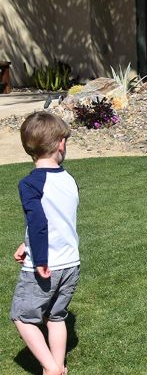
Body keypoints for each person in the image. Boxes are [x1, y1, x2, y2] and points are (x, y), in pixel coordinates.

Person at [10, 111, 80, 374]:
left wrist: (38, 259)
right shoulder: (69, 180)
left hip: (46, 264)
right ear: (60, 144)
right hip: (71, 263)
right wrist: (26, 243)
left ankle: (50, 367)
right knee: (57, 316)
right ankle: (60, 367)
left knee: (23, 317)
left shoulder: (30, 184)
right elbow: (54, 220)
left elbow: (39, 223)